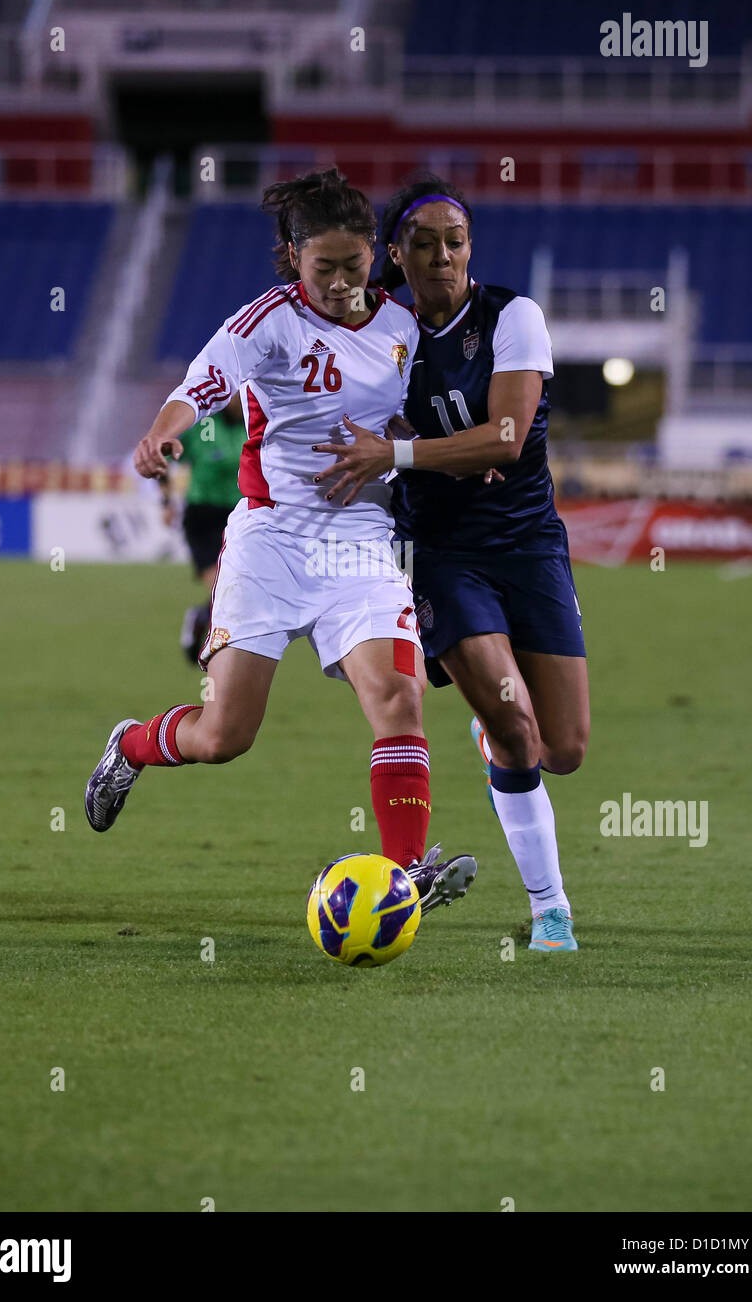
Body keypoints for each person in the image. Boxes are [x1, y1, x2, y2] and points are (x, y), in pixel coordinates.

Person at [84, 169, 476, 914]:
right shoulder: (266, 322)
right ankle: (132, 745)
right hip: (271, 542)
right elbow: (202, 384)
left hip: (362, 539)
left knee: (398, 698)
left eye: (351, 266)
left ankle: (401, 875)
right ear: (291, 257)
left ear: (375, 256)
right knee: (226, 734)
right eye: (320, 266)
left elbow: (421, 419)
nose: (336, 282)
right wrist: (163, 435)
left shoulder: (402, 327)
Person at [313, 175, 589, 950]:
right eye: (424, 243)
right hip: (440, 553)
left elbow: (503, 437)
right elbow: (362, 417)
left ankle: (496, 741)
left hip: (530, 544)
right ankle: (549, 910)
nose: (443, 256)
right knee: (513, 723)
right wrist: (437, 457)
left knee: (561, 749)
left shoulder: (512, 317)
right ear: (395, 253)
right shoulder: (383, 332)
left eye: (456, 241)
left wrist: (405, 450)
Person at [157, 391, 244, 664]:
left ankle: (203, 620)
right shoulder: (202, 426)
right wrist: (167, 502)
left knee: (237, 590)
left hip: (241, 518)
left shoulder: (257, 423)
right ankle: (217, 648)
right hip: (203, 517)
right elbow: (163, 456)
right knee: (222, 587)